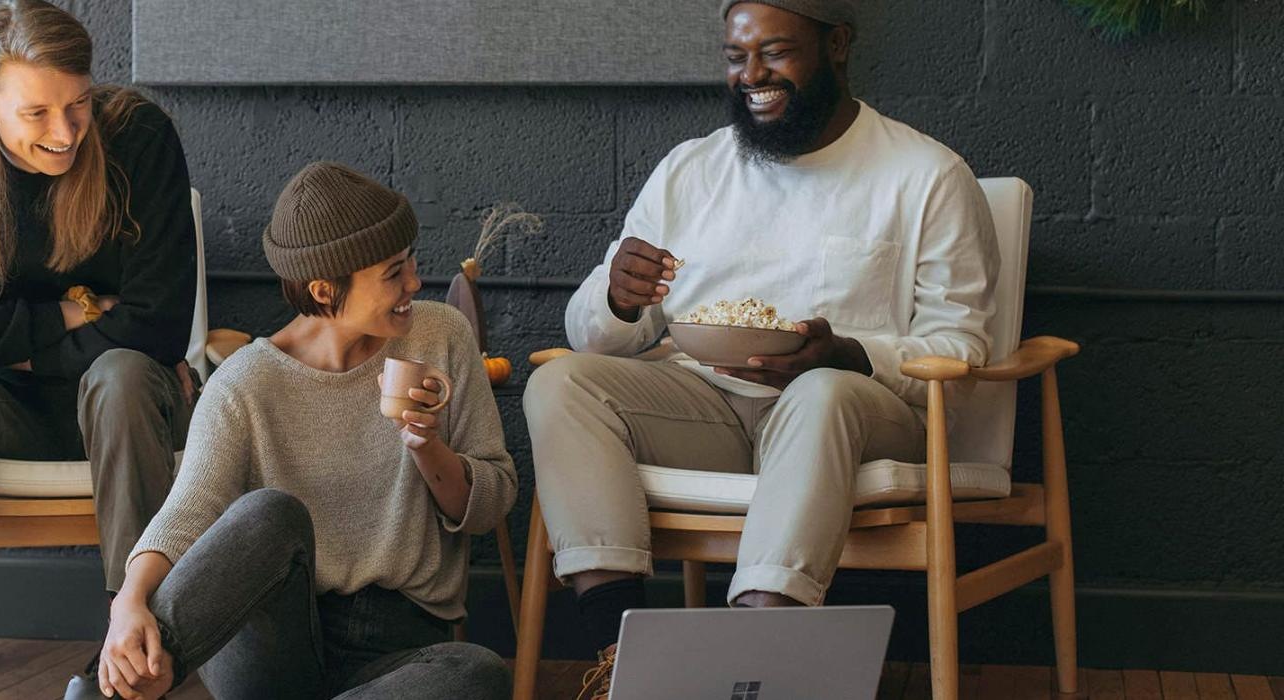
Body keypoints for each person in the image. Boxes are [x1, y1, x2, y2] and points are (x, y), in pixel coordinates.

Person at [523, 1, 1000, 696]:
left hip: (861, 416)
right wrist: (620, 298)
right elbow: (593, 335)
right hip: (709, 408)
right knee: (562, 383)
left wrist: (850, 355)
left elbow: (963, 349)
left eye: (775, 53)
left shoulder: (925, 175)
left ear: (836, 45)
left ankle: (753, 664)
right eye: (736, 57)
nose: (753, 76)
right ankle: (624, 663)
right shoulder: (691, 170)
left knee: (822, 392)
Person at [89, 162, 516, 700]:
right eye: (392, 273)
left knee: (478, 675)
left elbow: (491, 504)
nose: (414, 282)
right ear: (323, 288)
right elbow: (188, 513)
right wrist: (128, 601)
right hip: (270, 644)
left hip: (396, 649)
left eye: (410, 261)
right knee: (269, 513)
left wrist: (427, 444)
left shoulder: (442, 336)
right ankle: (115, 689)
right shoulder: (245, 383)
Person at [0, 1, 197, 697]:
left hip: (128, 410)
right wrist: (72, 310)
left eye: (79, 105)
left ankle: (130, 640)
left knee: (120, 375)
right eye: (38, 114)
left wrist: (10, 343)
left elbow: (159, 327)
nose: (66, 133)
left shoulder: (139, 138)